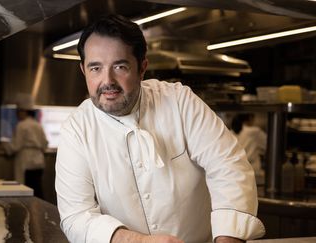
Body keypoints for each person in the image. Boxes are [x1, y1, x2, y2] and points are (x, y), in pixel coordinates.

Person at [55, 14, 265, 243]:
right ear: (84, 71)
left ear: (142, 68)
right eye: (95, 68)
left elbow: (228, 165)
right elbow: (77, 217)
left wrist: (228, 239)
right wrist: (139, 241)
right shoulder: (76, 130)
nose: (108, 81)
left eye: (120, 66)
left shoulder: (179, 101)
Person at [2, 94, 48, 198]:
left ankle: (31, 212)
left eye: (18, 112)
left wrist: (4, 145)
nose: (17, 114)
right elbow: (45, 144)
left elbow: (14, 147)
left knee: (27, 192)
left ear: (23, 112)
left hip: (26, 162)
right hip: (39, 162)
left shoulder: (21, 125)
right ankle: (40, 212)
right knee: (38, 191)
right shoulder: (38, 125)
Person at [231, 113, 267, 182]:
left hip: (235, 171)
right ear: (250, 118)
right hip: (252, 172)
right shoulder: (254, 132)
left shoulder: (231, 131)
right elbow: (269, 146)